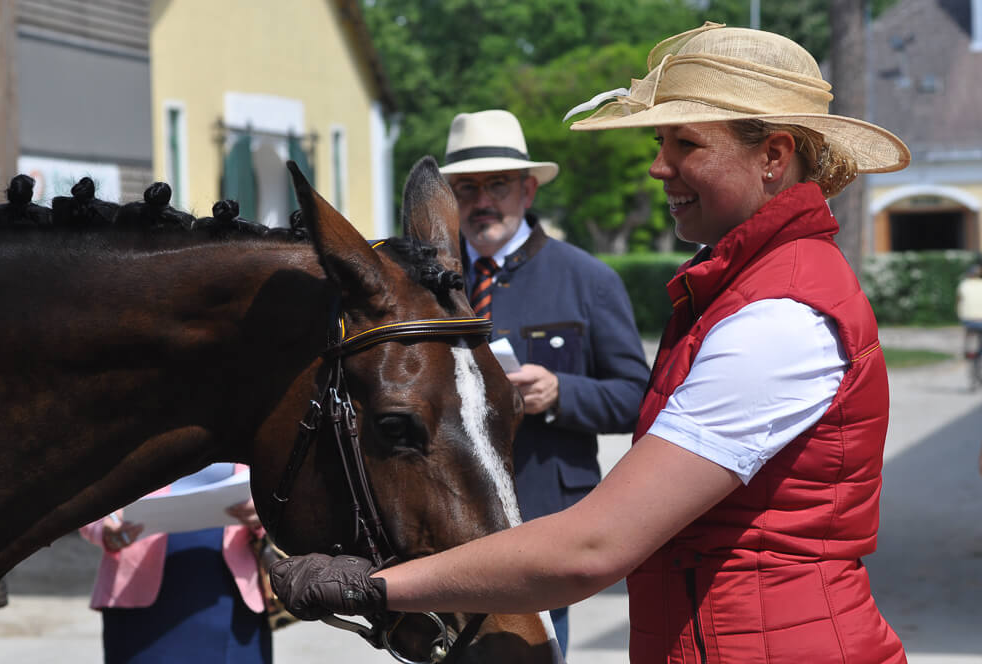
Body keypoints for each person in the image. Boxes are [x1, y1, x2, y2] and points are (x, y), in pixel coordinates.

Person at [267, 22, 912, 664]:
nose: (659, 166)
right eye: (661, 141)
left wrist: (374, 586)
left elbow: (594, 547)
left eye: (685, 142)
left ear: (773, 157)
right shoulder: (747, 289)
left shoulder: (780, 315)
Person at [436, 108, 651, 652]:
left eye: (498, 185)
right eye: (466, 187)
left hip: (544, 516)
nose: (482, 201)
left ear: (528, 189)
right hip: (444, 514)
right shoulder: (426, 286)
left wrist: (561, 393)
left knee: (532, 653)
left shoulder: (588, 280)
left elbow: (638, 399)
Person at [81, 463, 271, 664]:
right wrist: (103, 527)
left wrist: (266, 512)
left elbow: (291, 496)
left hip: (233, 595)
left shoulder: (252, 432)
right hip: (136, 594)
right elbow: (84, 495)